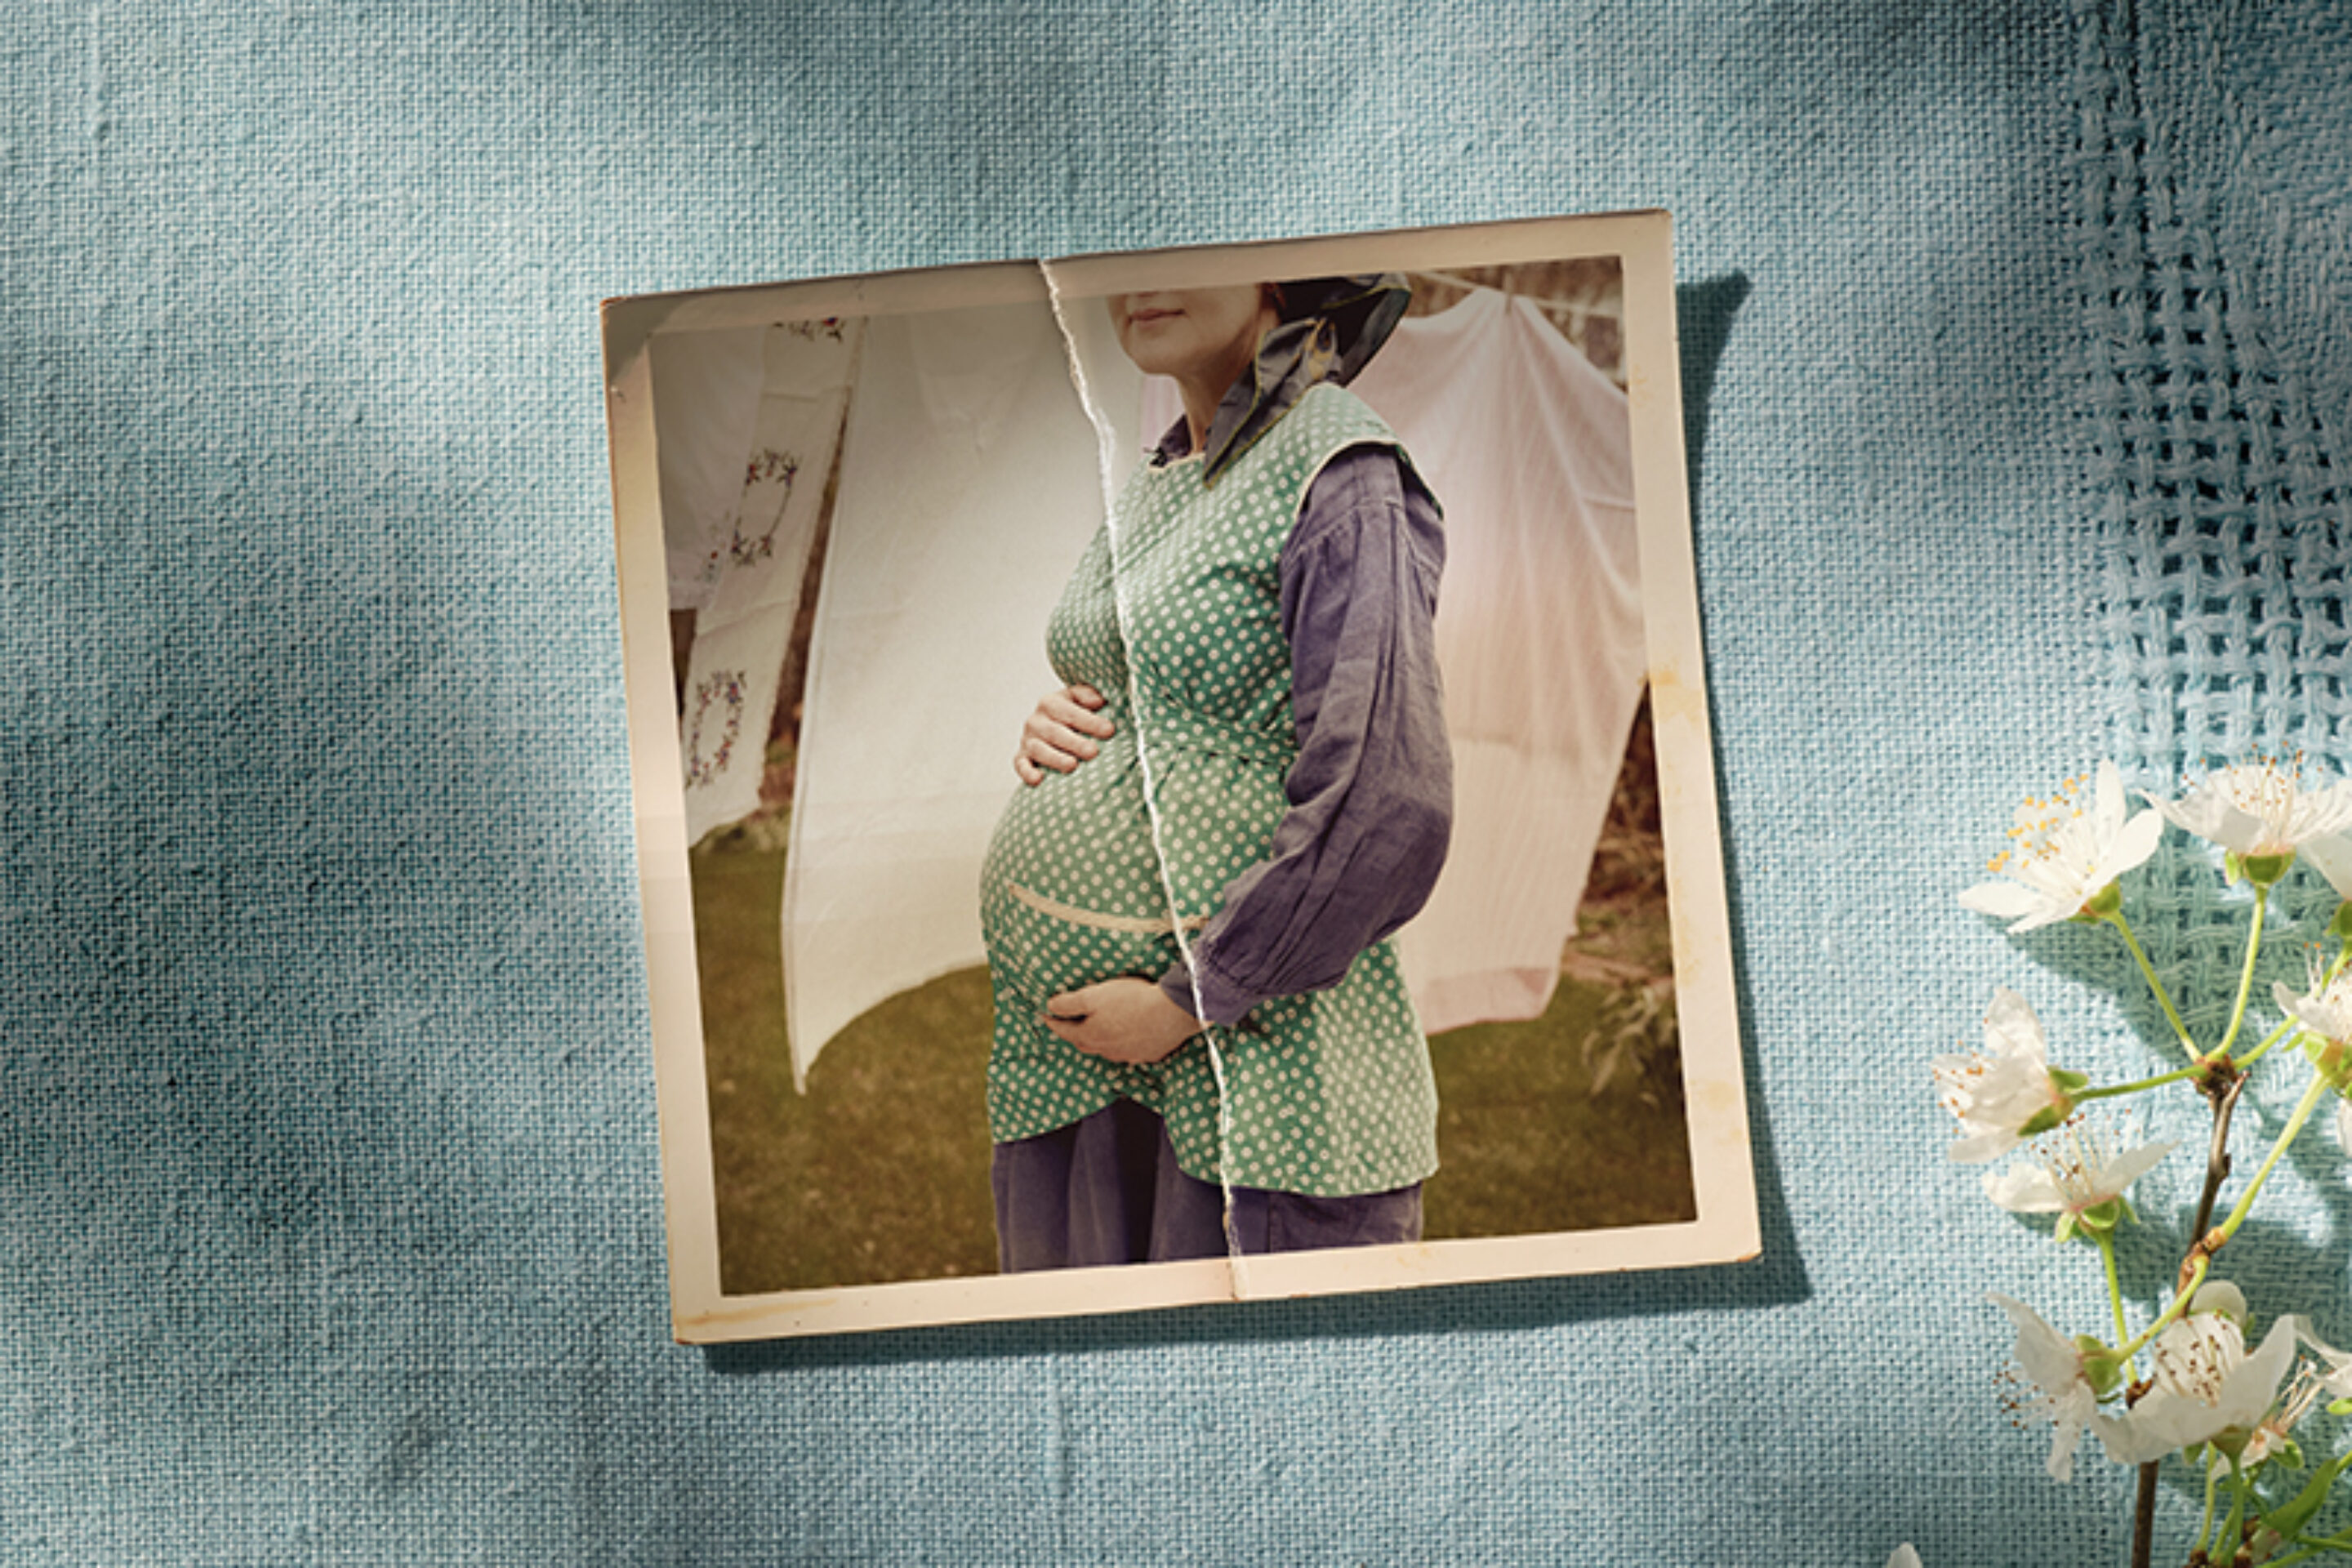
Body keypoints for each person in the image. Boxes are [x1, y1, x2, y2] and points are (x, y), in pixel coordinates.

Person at [978, 275, 1451, 1269]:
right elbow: (1155, 684)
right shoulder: (1167, 475)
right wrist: (1065, 723)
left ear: (1279, 270)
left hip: (1254, 1074)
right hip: (1082, 1074)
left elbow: (1385, 799)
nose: (1142, 281)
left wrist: (1189, 1000)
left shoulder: (1339, 469)